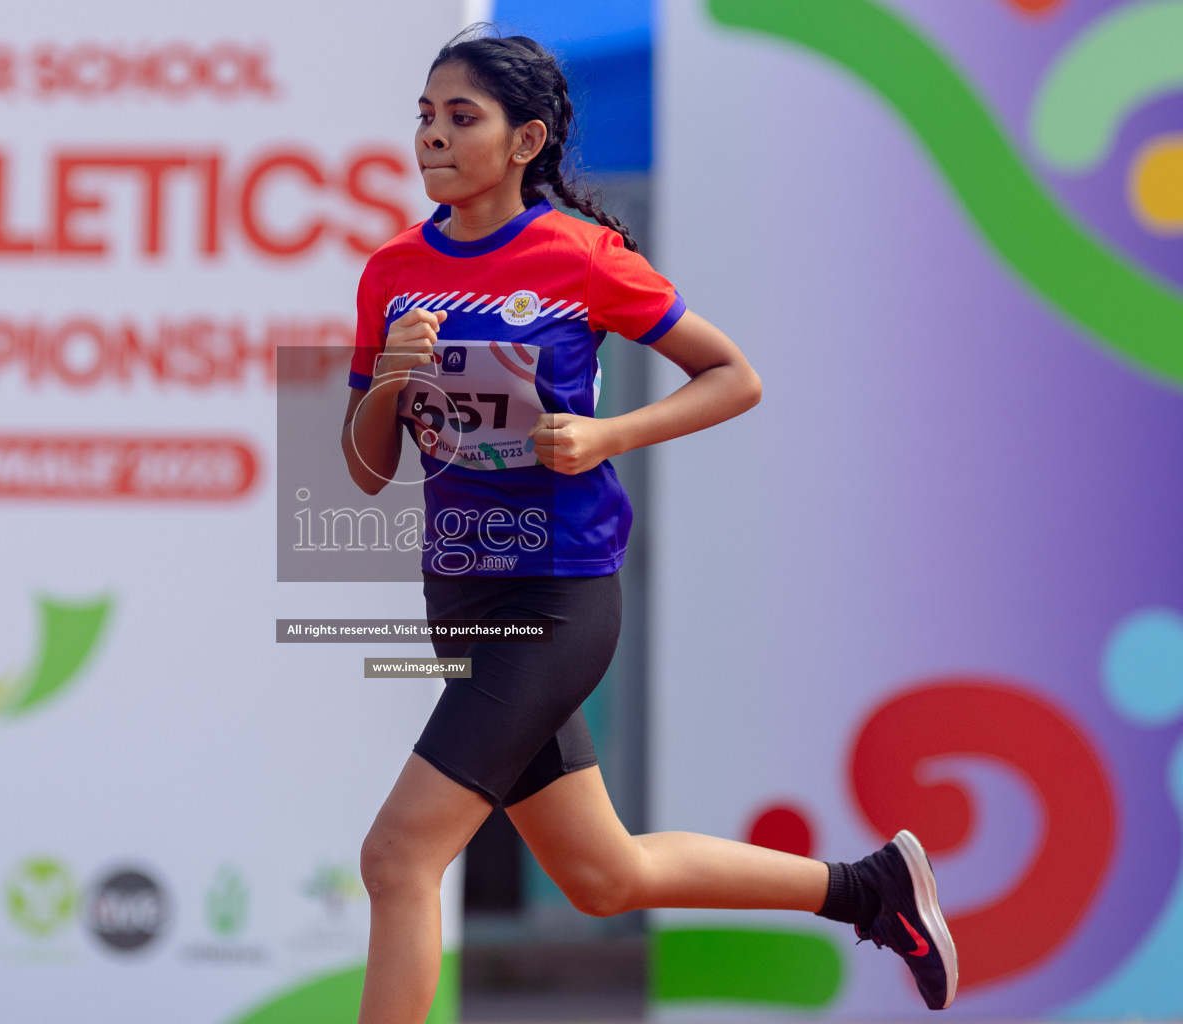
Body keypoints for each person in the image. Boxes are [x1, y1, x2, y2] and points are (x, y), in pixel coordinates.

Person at [339, 29, 958, 1024]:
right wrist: (396, 378)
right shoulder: (391, 274)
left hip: (555, 597)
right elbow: (365, 471)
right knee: (602, 875)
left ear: (526, 138)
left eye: (463, 118)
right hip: (456, 599)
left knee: (399, 854)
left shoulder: (582, 255)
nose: (434, 137)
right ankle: (869, 889)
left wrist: (605, 433)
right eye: (425, 115)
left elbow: (734, 376)